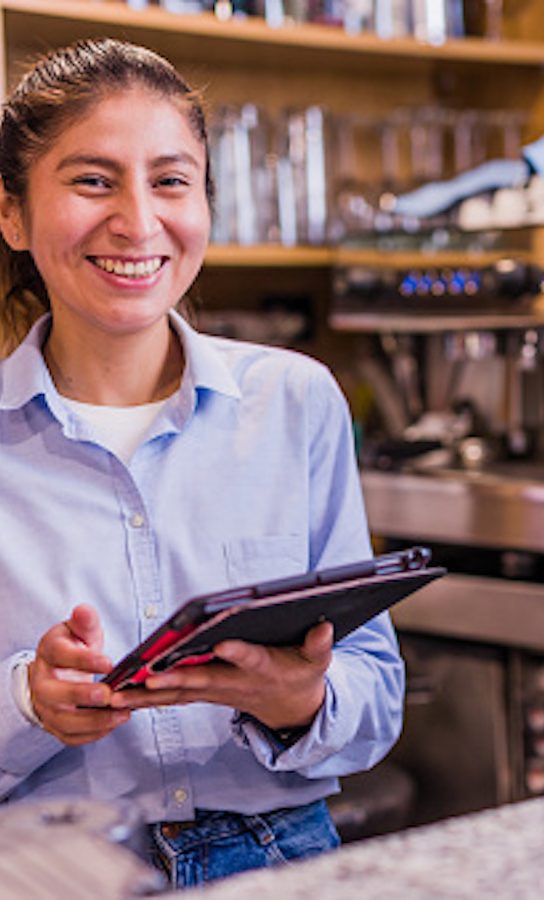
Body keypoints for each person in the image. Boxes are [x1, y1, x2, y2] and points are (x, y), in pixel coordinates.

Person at [0, 38, 404, 888]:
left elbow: (376, 694)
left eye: (171, 181)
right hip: (56, 868)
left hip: (279, 858)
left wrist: (299, 703)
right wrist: (30, 704)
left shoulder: (297, 401)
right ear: (12, 213)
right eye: (92, 180)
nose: (139, 221)